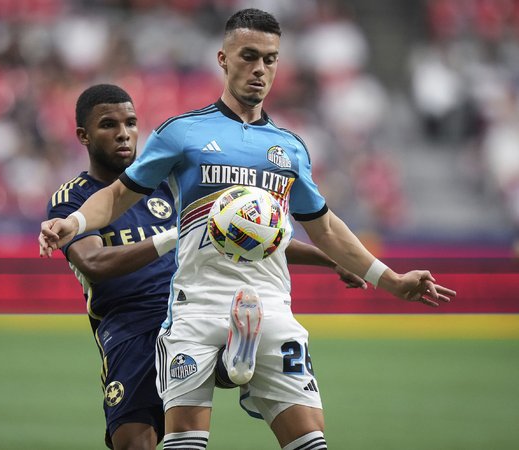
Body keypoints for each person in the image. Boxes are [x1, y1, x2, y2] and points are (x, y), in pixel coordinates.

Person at [40, 9, 456, 450]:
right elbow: (117, 195)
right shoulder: (182, 134)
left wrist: (391, 280)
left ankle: (237, 362)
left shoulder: (290, 148)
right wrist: (76, 221)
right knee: (178, 442)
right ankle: (231, 365)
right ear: (223, 59)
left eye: (271, 59)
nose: (260, 69)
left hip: (270, 306)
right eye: (249, 56)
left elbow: (325, 227)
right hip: (195, 307)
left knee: (311, 444)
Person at [45, 83, 367, 450]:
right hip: (129, 327)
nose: (123, 133)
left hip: (189, 311)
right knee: (135, 444)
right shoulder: (74, 199)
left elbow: (246, 233)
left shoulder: (166, 184)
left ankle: (229, 362)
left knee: (193, 382)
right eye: (108, 125)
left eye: (131, 123)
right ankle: (230, 364)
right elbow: (93, 263)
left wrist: (331, 260)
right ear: (83, 136)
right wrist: (172, 236)